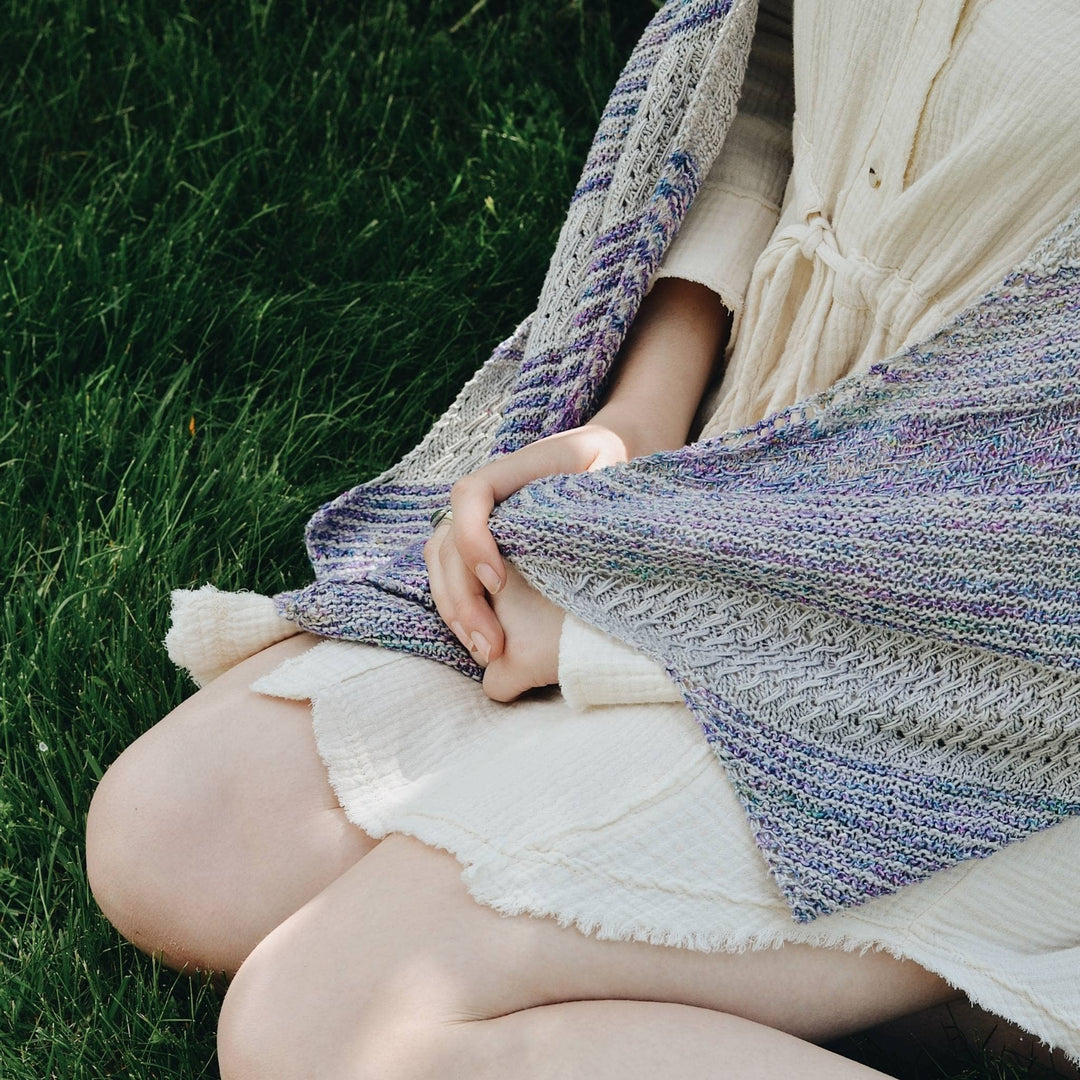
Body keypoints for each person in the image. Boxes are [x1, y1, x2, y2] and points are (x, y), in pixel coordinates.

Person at [85, 1, 1080, 1076]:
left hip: (981, 690)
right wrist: (637, 423)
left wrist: (638, 634)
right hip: (723, 483)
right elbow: (766, 68)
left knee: (320, 1030)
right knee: (176, 836)